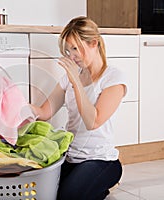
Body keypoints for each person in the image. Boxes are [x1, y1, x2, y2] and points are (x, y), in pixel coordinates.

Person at [30, 16, 126, 200]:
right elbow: (44, 112)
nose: (71, 56)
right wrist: (20, 108)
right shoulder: (68, 78)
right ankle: (97, 189)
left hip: (100, 160)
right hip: (70, 157)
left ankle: (105, 181)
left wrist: (76, 81)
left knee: (69, 197)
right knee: (42, 194)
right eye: (67, 50)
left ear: (93, 43)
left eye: (75, 48)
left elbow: (93, 121)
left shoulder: (113, 77)